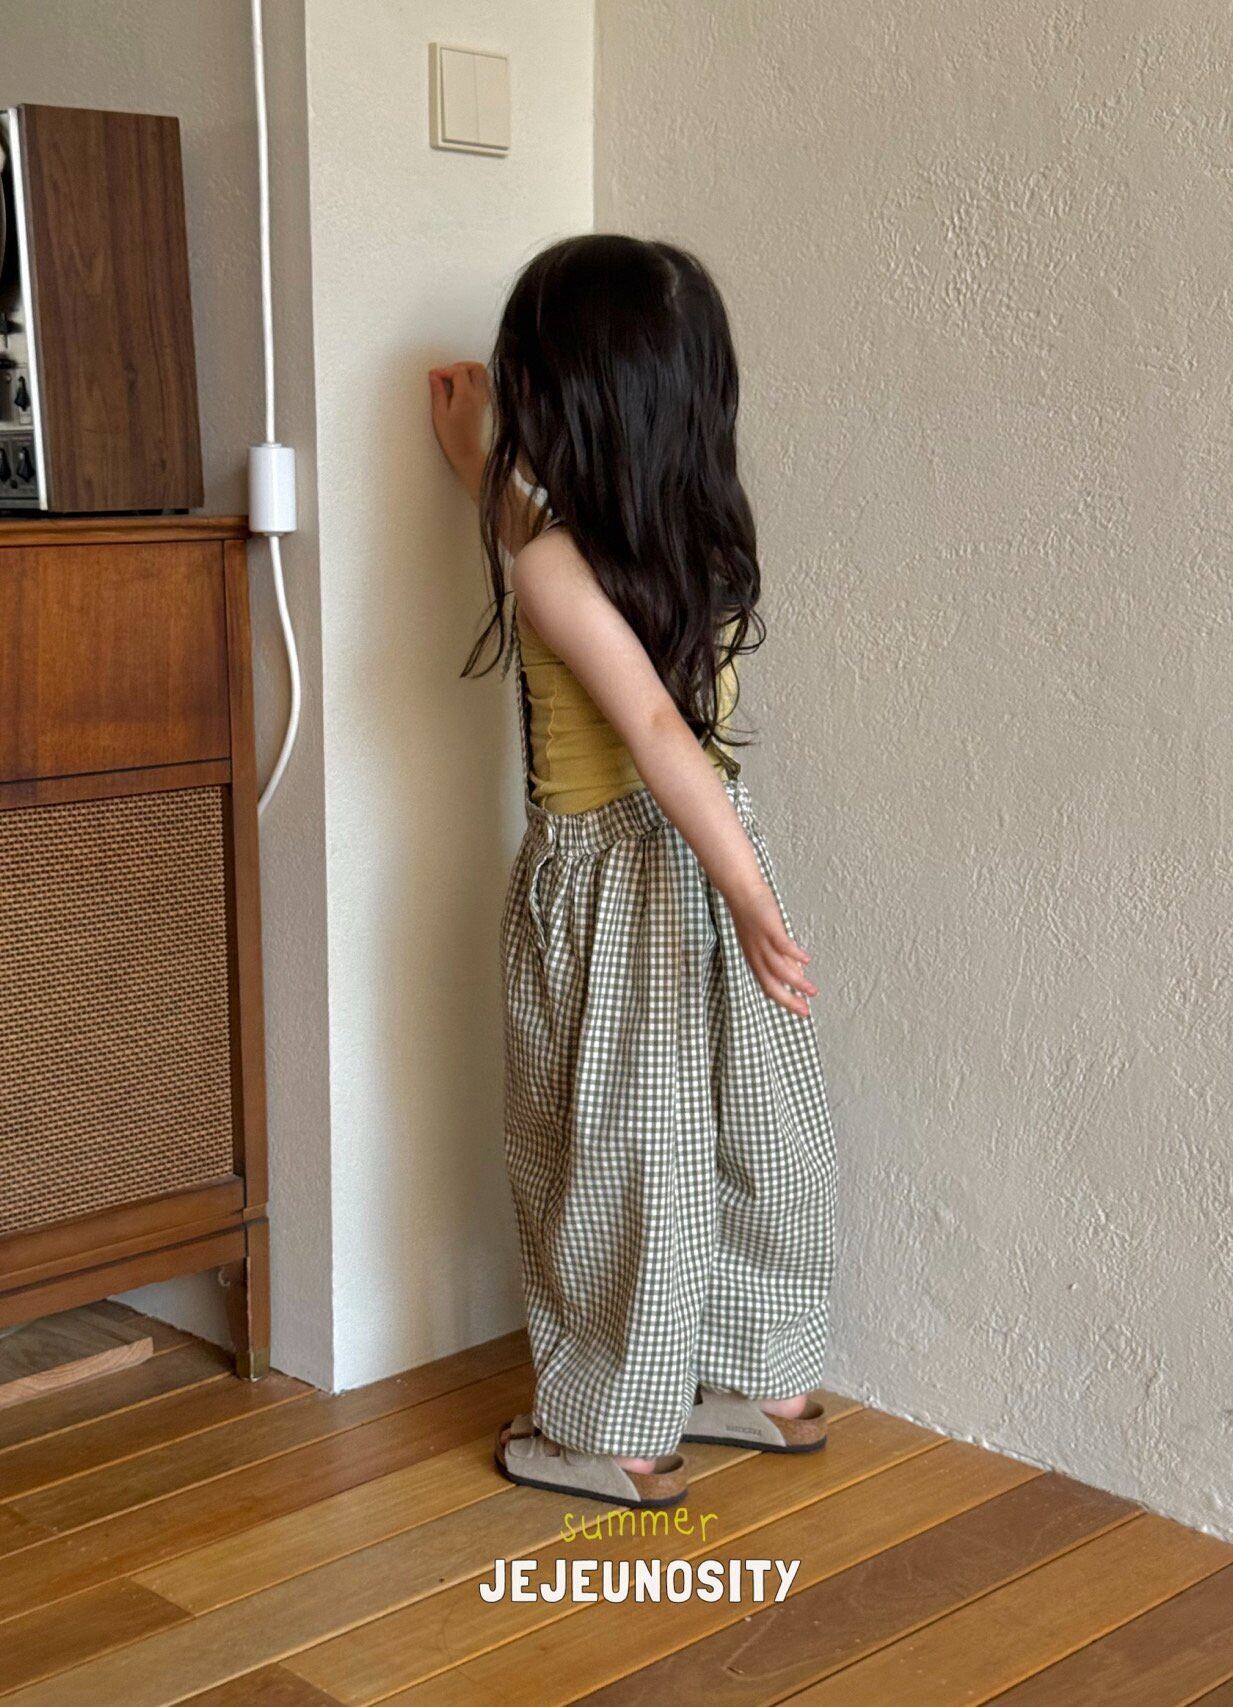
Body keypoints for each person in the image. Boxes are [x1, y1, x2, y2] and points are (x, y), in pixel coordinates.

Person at [429, 234, 837, 1511]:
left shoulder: (553, 566)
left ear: (565, 402)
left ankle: (615, 1432)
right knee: (741, 1131)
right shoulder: (695, 542)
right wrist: (748, 896)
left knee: (609, 1159)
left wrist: (754, 908)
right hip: (707, 866)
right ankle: (765, 1380)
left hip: (612, 895)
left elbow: (648, 726)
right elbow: (614, 648)